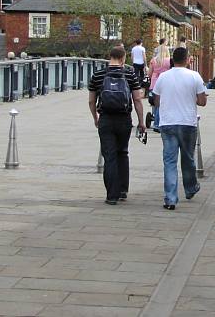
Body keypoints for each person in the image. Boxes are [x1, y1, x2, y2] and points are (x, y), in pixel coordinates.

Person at [88, 46, 145, 206]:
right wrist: (141, 122)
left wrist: (96, 118)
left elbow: (91, 100)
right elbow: (137, 99)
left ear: (109, 56)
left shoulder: (98, 75)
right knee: (122, 152)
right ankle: (122, 190)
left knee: (110, 156)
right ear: (123, 58)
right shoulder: (129, 74)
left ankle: (111, 195)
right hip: (124, 119)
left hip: (106, 119)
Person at [152, 47, 207, 210]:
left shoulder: (163, 77)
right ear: (188, 59)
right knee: (188, 158)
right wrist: (191, 99)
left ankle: (170, 198)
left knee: (169, 161)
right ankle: (190, 188)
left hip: (168, 123)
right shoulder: (194, 76)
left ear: (172, 60)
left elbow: (156, 101)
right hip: (187, 122)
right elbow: (202, 101)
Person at [148, 44, 172, 132]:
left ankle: (155, 118)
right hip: (165, 84)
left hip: (154, 84)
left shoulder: (153, 60)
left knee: (155, 104)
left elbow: (149, 74)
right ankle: (158, 123)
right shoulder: (169, 61)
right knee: (161, 104)